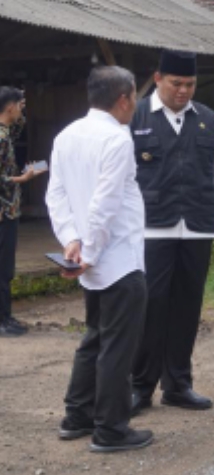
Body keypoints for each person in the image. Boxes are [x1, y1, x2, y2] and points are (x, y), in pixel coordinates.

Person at [45, 66, 153, 452]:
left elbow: (55, 195)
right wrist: (88, 252)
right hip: (118, 258)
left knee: (95, 338)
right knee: (117, 347)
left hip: (89, 258)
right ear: (123, 99)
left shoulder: (66, 135)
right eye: (134, 98)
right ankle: (110, 429)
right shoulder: (117, 139)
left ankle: (77, 416)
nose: (134, 106)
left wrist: (72, 242)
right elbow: (105, 203)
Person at [130, 50, 214, 416]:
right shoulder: (136, 116)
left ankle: (178, 384)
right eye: (176, 83)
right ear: (158, 78)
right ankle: (139, 387)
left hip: (196, 226)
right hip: (151, 228)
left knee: (187, 308)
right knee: (151, 307)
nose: (183, 91)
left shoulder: (207, 120)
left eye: (190, 84)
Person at [0, 87, 47, 337]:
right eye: (19, 105)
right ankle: (2, 320)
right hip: (3, 211)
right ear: (9, 107)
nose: (21, 109)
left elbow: (18, 126)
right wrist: (22, 178)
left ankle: (6, 316)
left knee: (6, 269)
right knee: (2, 268)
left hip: (10, 210)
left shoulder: (6, 132)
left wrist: (23, 107)